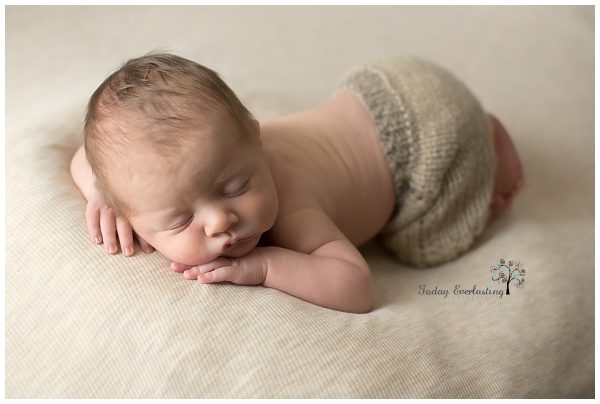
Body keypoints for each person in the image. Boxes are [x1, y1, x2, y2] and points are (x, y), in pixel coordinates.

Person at [70, 53, 523, 313]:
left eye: (235, 187)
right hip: (383, 91)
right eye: (181, 218)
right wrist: (101, 194)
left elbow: (356, 287)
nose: (220, 221)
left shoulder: (290, 205)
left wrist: (265, 267)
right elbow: (85, 160)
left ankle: (488, 138)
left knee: (455, 215)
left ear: (255, 134)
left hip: (430, 141)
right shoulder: (144, 177)